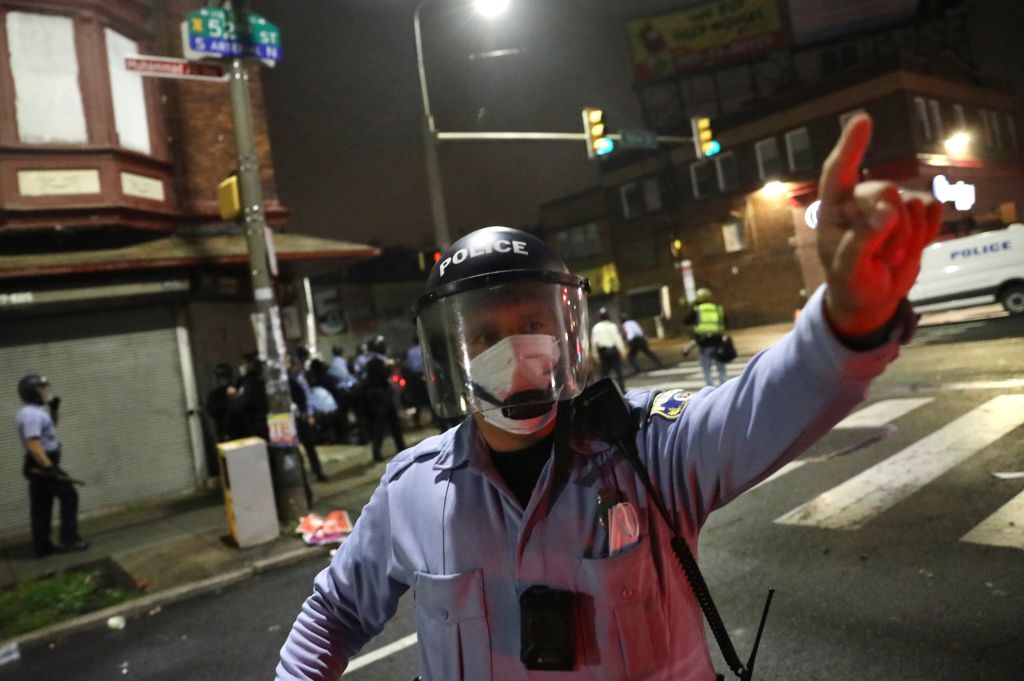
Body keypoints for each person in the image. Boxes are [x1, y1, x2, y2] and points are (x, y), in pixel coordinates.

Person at [276, 114, 942, 681]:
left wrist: (847, 322)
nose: (515, 347)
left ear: (567, 332)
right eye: (486, 334)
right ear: (454, 354)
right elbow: (333, 611)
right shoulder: (412, 493)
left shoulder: (648, 448)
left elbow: (762, 407)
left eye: (533, 323)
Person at [16, 374, 88, 558]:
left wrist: (54, 409)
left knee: (41, 505)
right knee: (69, 495)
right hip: (41, 464)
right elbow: (33, 444)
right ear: (33, 393)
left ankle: (43, 546)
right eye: (43, 388)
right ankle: (69, 539)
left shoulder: (35, 411)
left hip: (39, 464)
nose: (46, 391)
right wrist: (49, 468)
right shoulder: (31, 414)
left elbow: (50, 429)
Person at [357, 335, 407, 462]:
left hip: (382, 396)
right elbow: (383, 377)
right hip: (381, 397)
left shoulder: (373, 361)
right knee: (381, 425)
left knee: (393, 423)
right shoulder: (376, 362)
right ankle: (377, 452)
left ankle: (400, 447)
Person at [286, 352, 328, 482]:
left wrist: (309, 414)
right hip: (292, 419)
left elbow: (307, 396)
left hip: (301, 418)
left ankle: (318, 472)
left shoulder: (297, 378)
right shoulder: (285, 379)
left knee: (309, 446)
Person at [684, 287, 728, 387]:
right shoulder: (717, 308)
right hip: (719, 342)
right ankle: (724, 389)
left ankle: (711, 392)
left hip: (704, 344)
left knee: (707, 370)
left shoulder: (697, 310)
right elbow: (725, 322)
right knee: (721, 369)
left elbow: (686, 321)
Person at [590, 307, 627, 391]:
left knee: (604, 373)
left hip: (603, 353)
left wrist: (596, 355)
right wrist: (622, 350)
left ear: (599, 317)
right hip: (613, 352)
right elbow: (617, 339)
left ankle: (602, 390)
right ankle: (622, 389)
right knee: (618, 371)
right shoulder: (612, 326)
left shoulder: (596, 328)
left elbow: (594, 343)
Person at [401, 335, 430, 428]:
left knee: (417, 401)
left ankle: (417, 422)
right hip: (427, 375)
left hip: (415, 378)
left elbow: (408, 365)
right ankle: (438, 420)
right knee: (430, 397)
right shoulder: (425, 348)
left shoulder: (410, 352)